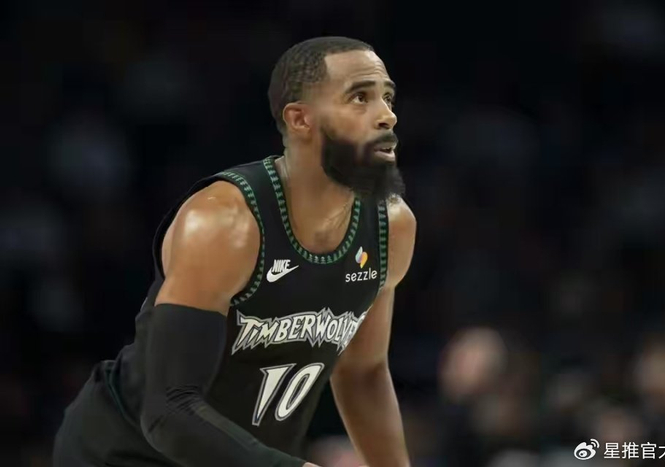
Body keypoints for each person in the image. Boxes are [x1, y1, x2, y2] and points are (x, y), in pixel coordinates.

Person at [53, 36, 416, 467]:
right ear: (300, 119)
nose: (387, 115)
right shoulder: (225, 221)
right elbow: (169, 410)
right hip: (125, 451)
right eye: (360, 97)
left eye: (387, 97)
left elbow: (363, 373)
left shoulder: (391, 227)